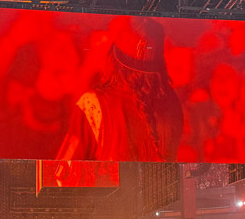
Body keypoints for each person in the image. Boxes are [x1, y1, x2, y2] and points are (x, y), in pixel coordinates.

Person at [56, 16, 183, 162]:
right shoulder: (172, 102)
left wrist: (87, 69)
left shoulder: (94, 104)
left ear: (113, 57)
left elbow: (63, 173)